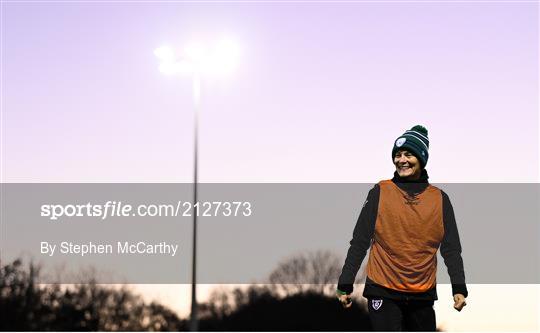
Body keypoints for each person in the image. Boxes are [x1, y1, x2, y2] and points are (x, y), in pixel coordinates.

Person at [336, 125, 467, 331]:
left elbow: (451, 248)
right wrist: (345, 283)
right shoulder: (380, 191)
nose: (401, 160)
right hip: (382, 289)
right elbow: (360, 240)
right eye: (397, 155)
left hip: (422, 293)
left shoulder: (440, 199)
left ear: (421, 159)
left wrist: (458, 287)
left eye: (409, 154)